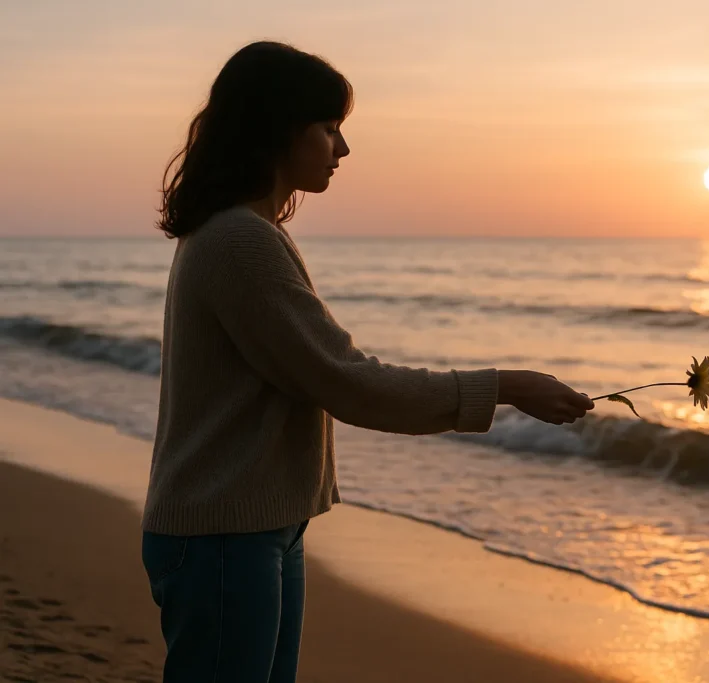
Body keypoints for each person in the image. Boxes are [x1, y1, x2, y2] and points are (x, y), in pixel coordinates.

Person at [140, 40, 595, 683]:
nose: (342, 149)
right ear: (278, 130)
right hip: (223, 537)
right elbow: (349, 382)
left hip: (256, 527)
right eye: (329, 130)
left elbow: (323, 375)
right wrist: (506, 386)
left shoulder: (246, 232)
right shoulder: (239, 241)